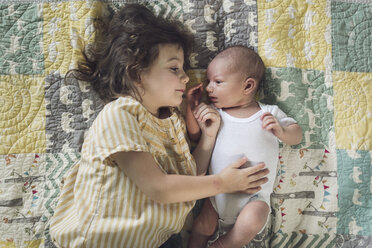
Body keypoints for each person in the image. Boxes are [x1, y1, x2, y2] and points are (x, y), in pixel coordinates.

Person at [49, 5, 270, 248]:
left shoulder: (171, 123)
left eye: (184, 69)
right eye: (174, 68)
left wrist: (207, 139)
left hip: (158, 239)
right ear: (136, 74)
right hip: (104, 240)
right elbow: (159, 188)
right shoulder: (120, 113)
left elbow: (188, 180)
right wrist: (223, 183)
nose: (186, 78)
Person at [186, 45, 303, 248]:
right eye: (208, 82)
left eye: (218, 82)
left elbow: (297, 135)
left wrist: (282, 132)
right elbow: (195, 134)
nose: (208, 88)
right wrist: (192, 108)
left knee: (255, 218)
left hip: (254, 197)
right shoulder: (216, 113)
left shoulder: (268, 113)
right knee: (201, 225)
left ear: (248, 86)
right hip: (217, 193)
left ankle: (225, 244)